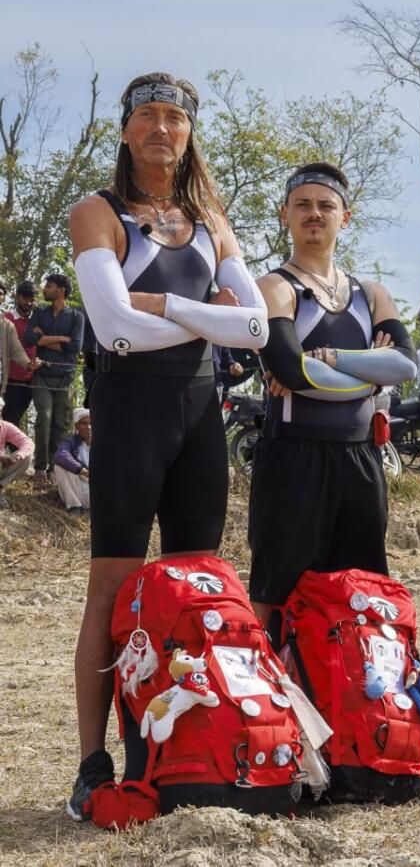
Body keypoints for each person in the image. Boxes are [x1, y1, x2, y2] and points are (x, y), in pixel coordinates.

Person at [65, 72, 268, 818]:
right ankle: (94, 762)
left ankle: (187, 749)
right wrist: (202, 314)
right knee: (113, 590)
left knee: (196, 592)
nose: (161, 127)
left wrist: (162, 304)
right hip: (129, 411)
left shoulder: (211, 220)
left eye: (174, 116)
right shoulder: (98, 212)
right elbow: (115, 328)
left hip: (198, 415)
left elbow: (255, 327)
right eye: (147, 114)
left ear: (189, 133)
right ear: (125, 130)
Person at [247, 162, 417, 626]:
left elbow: (404, 364)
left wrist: (330, 360)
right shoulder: (274, 287)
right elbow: (291, 371)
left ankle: (354, 693)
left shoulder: (371, 293)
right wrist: (370, 370)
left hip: (359, 458)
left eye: (326, 205)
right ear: (285, 214)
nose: (314, 214)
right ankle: (273, 692)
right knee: (276, 588)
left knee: (361, 589)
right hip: (292, 456)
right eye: (302, 205)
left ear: (347, 216)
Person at [28, 272, 84, 480]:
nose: (45, 289)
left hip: (65, 377)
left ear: (60, 289)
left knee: (61, 423)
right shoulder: (40, 312)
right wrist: (61, 339)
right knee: (44, 418)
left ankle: (56, 468)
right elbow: (29, 338)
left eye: (49, 286)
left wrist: (43, 337)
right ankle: (40, 468)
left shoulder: (77, 316)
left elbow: (76, 347)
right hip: (41, 375)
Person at [3, 281, 37, 426]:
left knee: (16, 420)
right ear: (18, 298)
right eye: (25, 298)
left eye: (32, 299)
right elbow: (14, 349)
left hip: (33, 380)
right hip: (10, 380)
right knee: (10, 420)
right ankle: (23, 449)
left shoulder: (38, 320)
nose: (28, 302)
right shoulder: (6, 320)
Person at [54, 407, 91, 513]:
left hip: (102, 491)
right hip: (78, 490)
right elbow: (61, 456)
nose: (88, 427)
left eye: (91, 423)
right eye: (84, 423)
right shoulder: (71, 442)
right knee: (60, 466)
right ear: (76, 426)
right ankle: (74, 507)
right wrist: (83, 471)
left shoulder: (106, 442)